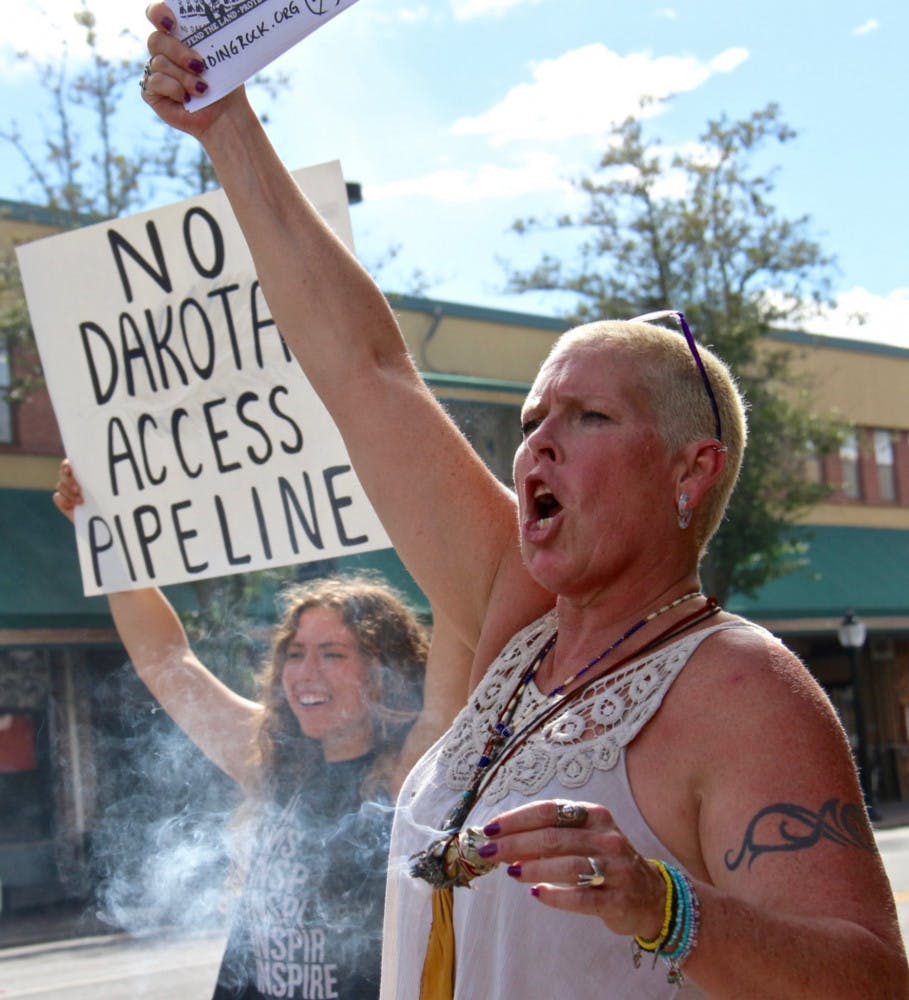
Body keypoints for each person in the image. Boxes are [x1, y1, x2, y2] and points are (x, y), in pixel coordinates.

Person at [138, 6, 909, 996]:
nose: (538, 437)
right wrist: (229, 121)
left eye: (588, 416)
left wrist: (666, 905)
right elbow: (368, 373)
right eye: (535, 413)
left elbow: (873, 980)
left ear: (691, 470)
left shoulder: (739, 688)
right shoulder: (513, 629)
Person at [54, 460, 466, 1000]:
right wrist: (104, 529)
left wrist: (435, 500)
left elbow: (462, 616)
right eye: (294, 653)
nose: (305, 673)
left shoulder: (413, 770)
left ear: (387, 675)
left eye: (333, 653)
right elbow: (168, 661)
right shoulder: (270, 757)